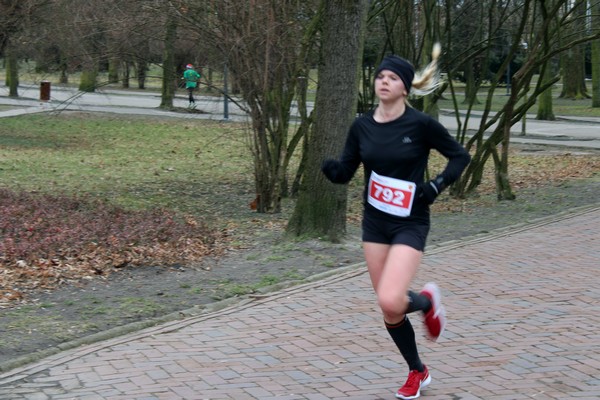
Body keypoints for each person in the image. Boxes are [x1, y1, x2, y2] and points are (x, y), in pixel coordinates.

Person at [321, 44, 471, 399]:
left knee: (391, 299)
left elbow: (460, 156)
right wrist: (332, 171)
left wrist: (434, 186)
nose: (384, 82)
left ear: (405, 87)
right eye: (380, 76)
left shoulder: (421, 125)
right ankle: (418, 370)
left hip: (410, 222)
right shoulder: (361, 126)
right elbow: (347, 171)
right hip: (375, 224)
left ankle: (427, 303)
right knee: (390, 308)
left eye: (392, 77)